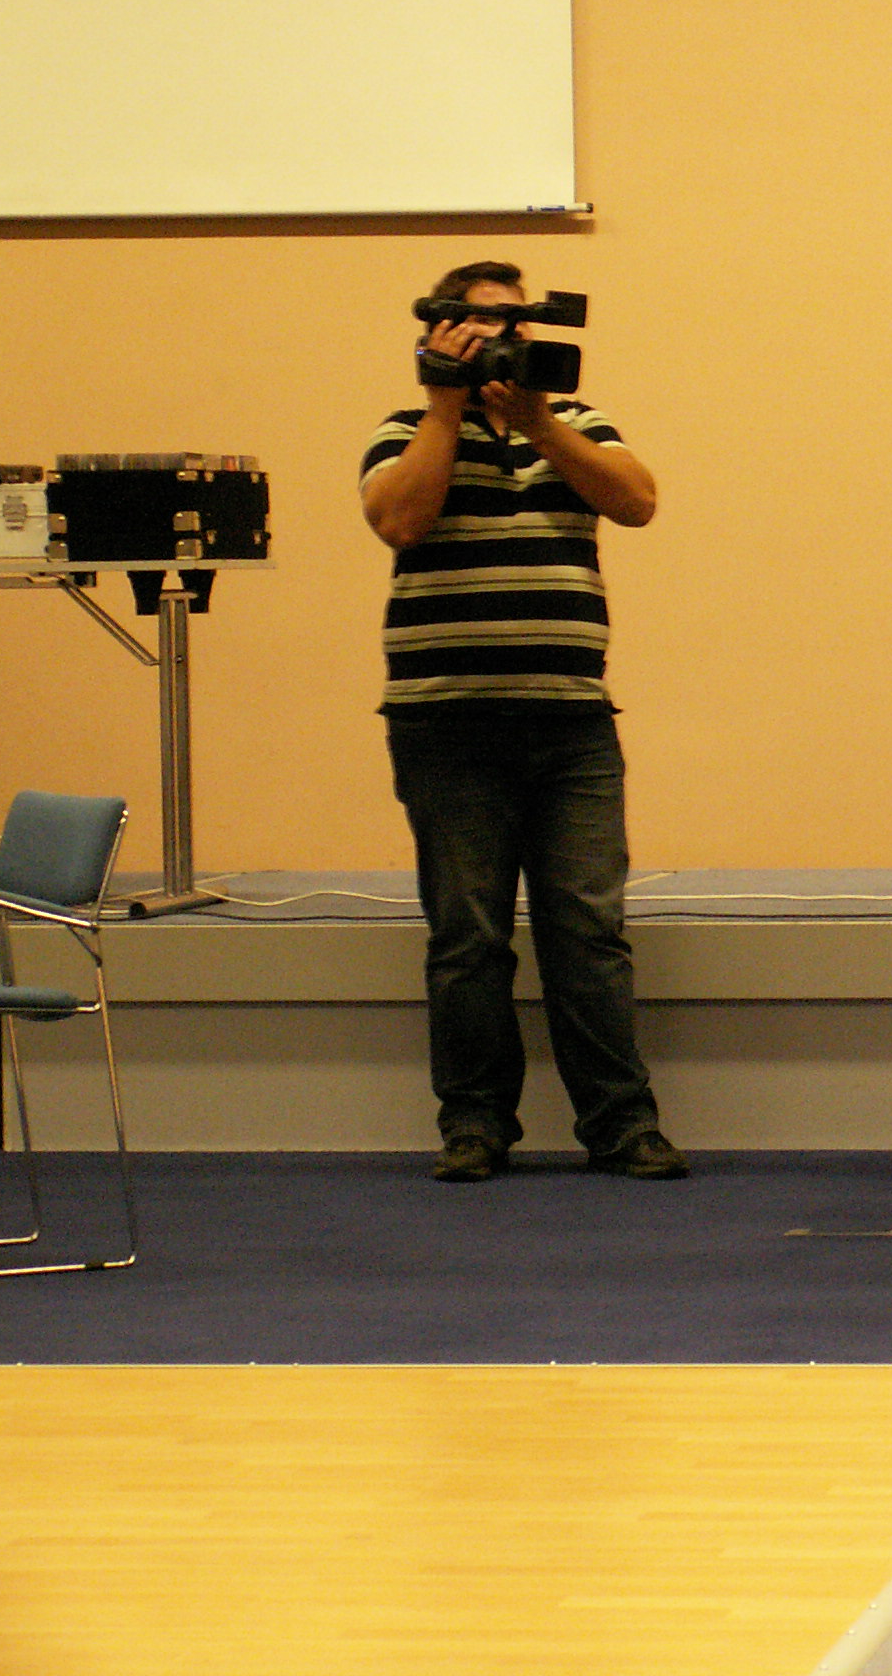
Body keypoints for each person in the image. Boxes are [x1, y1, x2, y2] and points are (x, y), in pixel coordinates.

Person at [360, 261, 686, 1184]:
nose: (502, 342)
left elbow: (637, 502)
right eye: (481, 327)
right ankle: (474, 1125)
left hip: (571, 724)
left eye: (516, 326)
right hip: (445, 725)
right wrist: (444, 406)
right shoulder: (404, 429)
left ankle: (621, 1125)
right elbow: (400, 521)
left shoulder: (577, 424)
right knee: (467, 938)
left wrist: (541, 422)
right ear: (441, 334)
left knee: (588, 930)